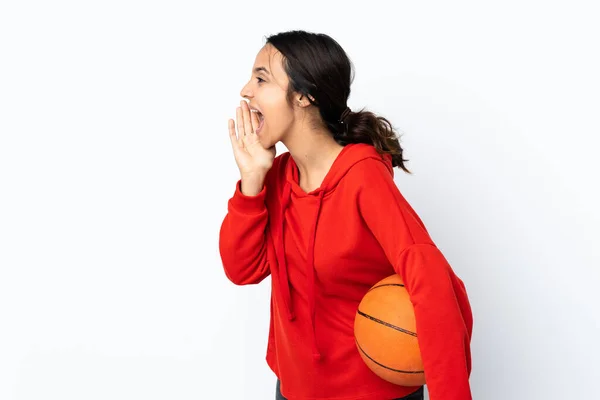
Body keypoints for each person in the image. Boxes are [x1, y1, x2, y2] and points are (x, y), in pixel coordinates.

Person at [219, 30, 473, 400]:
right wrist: (251, 181)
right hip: (294, 390)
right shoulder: (278, 176)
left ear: (305, 96)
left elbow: (431, 280)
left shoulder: (362, 177)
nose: (246, 90)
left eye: (261, 78)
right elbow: (242, 270)